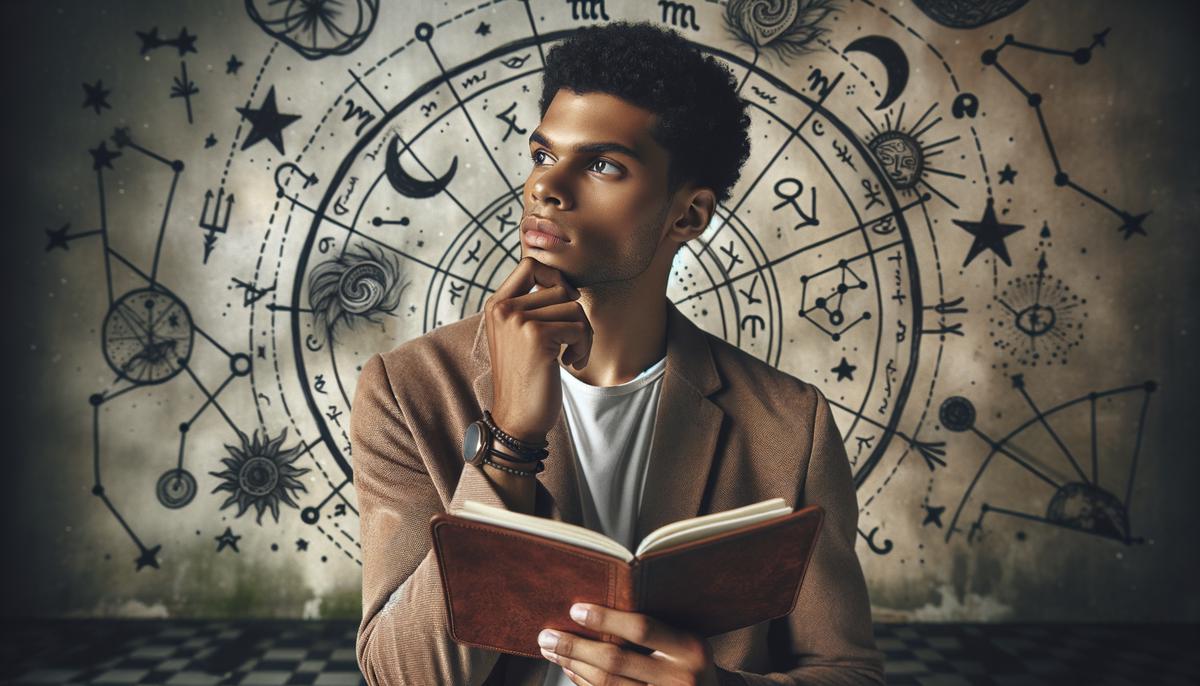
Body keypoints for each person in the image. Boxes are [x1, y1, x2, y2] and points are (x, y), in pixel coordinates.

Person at [351, 20, 885, 686]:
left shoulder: (789, 425)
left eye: (603, 164)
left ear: (686, 216)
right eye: (543, 154)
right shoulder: (408, 390)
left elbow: (848, 672)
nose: (548, 186)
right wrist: (510, 441)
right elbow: (402, 677)